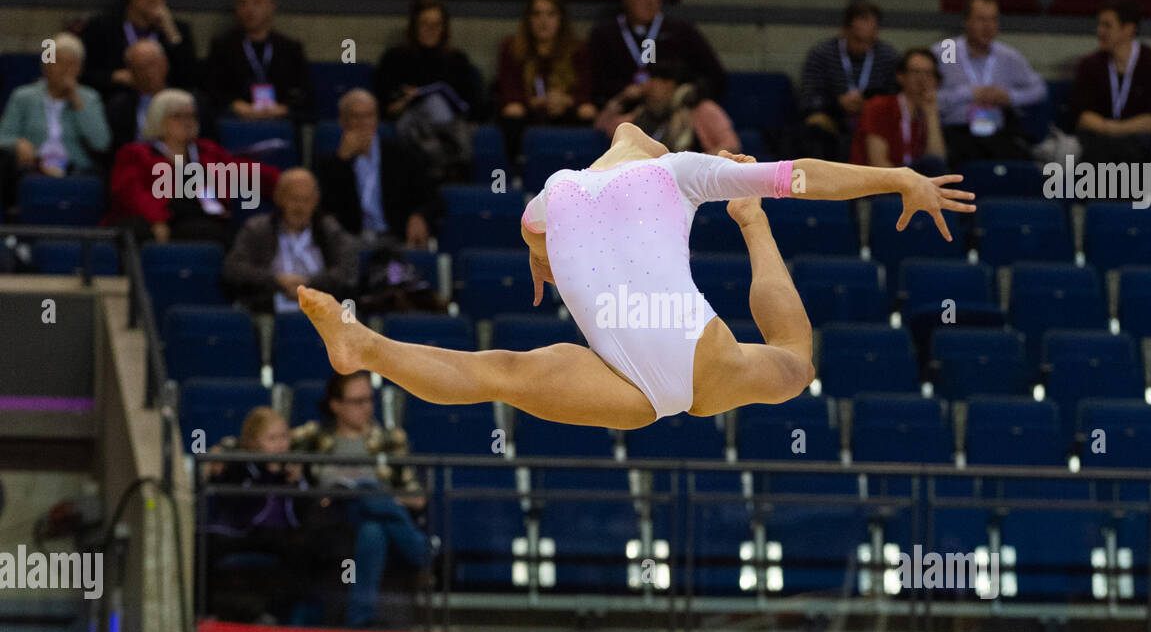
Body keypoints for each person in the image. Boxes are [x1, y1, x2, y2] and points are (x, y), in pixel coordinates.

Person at [298, 122, 974, 431]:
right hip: (693, 362)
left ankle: (366, 348)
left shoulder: (553, 195)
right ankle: (753, 227)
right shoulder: (678, 170)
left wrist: (540, 256)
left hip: (624, 382)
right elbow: (803, 175)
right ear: (654, 145)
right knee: (797, 364)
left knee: (496, 372)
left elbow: (529, 230)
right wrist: (897, 177)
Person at [305, 372, 434, 628]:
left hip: (375, 516)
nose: (367, 407)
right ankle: (421, 551)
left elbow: (416, 498)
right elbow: (267, 439)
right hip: (336, 517)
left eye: (370, 400)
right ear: (336, 405)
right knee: (364, 490)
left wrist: (382, 495)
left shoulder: (390, 440)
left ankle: (359, 619)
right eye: (358, 401)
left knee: (373, 527)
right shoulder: (315, 435)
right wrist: (222, 448)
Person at [103, 88, 281, 245]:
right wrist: (157, 220)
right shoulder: (136, 153)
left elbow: (241, 170)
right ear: (159, 119)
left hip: (196, 219)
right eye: (178, 116)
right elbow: (131, 194)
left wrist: (283, 182)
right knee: (141, 232)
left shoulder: (206, 150)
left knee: (213, 232)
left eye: (191, 116)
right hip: (151, 218)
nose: (187, 121)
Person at [204, 407, 321, 624]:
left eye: (284, 437)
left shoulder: (298, 469)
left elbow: (307, 512)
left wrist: (297, 484)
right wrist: (269, 475)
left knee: (309, 548)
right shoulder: (239, 467)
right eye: (272, 438)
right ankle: (208, 613)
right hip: (242, 535)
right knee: (204, 546)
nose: (280, 444)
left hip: (281, 537)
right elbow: (233, 507)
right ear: (253, 443)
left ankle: (290, 619)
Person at [373, 0, 482, 183]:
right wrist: (404, 101)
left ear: (444, 28)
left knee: (439, 107)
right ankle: (439, 171)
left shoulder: (456, 60)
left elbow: (473, 106)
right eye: (425, 24)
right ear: (414, 26)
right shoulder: (395, 59)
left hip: (449, 124)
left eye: (437, 25)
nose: (431, 30)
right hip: (412, 122)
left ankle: (442, 170)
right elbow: (383, 105)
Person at [314, 88, 443, 246]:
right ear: (342, 120)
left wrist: (420, 215)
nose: (363, 123)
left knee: (395, 269)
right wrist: (342, 162)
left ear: (376, 119)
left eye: (369, 116)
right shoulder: (329, 164)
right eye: (356, 116)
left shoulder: (403, 156)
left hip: (395, 239)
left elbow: (432, 198)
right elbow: (324, 208)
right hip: (349, 242)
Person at [587, 0, 727, 110]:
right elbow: (595, 84)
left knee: (708, 112)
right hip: (624, 109)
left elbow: (714, 77)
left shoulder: (680, 32)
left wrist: (680, 93)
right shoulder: (604, 34)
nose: (650, 3)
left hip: (675, 109)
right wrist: (626, 91)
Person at [1069, 0, 1151, 164]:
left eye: (1107, 25)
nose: (1100, 31)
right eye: (1099, 25)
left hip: (1141, 143)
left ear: (1128, 29)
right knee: (1092, 148)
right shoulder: (1089, 65)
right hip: (1099, 141)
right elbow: (1082, 117)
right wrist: (1110, 130)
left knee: (1132, 149)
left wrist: (1115, 129)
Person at [224, 167, 357, 313]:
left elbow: (348, 271)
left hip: (323, 313)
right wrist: (276, 281)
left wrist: (309, 283)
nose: (300, 207)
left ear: (316, 200)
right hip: (267, 312)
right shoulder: (258, 229)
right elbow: (234, 269)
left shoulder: (330, 231)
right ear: (279, 197)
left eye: (306, 200)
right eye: (294, 199)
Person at [933, 0, 1046, 165]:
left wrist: (1010, 97)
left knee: (1022, 164)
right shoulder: (944, 53)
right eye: (981, 20)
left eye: (993, 20)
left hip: (998, 132)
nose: (988, 26)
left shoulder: (1008, 56)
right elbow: (926, 97)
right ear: (966, 21)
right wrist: (968, 94)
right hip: (956, 130)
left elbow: (1039, 90)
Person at [496, 0, 597, 163]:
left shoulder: (578, 50)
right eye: (537, 14)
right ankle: (517, 169)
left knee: (587, 111)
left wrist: (566, 101)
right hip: (529, 113)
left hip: (566, 113)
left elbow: (588, 91)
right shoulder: (512, 48)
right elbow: (506, 91)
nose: (543, 21)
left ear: (560, 19)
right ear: (529, 19)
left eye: (551, 14)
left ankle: (581, 169)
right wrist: (534, 102)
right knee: (513, 110)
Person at [80, 0, 198, 100]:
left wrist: (171, 32)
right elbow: (85, 75)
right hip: (117, 102)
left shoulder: (177, 30)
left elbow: (191, 78)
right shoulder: (101, 27)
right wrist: (114, 77)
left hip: (162, 104)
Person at [797, 2, 900, 161]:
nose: (865, 47)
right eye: (858, 40)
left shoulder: (888, 56)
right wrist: (838, 103)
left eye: (870, 40)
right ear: (844, 31)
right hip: (834, 120)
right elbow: (808, 98)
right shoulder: (821, 54)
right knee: (815, 123)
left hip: (873, 121)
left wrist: (870, 104)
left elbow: (895, 95)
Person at [0, 33, 111, 179]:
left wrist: (78, 103)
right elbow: (3, 137)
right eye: (59, 62)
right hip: (34, 170)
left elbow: (101, 143)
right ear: (46, 65)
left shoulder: (90, 98)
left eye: (72, 64)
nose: (65, 70)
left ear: (80, 68)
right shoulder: (24, 96)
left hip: (76, 172)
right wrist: (18, 143)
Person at [205, 0, 315, 123]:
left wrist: (283, 108)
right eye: (242, 3)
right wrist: (236, 105)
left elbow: (306, 92)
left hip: (280, 117)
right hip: (237, 117)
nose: (249, 9)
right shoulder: (223, 46)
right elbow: (212, 88)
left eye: (257, 3)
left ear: (271, 6)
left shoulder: (290, 48)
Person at [594, 58, 740, 154]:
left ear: (669, 84)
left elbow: (732, 146)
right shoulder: (644, 113)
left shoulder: (703, 109)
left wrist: (691, 164)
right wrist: (622, 98)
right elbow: (603, 126)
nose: (646, 86)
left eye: (652, 80)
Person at [852, 48, 947, 170]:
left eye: (929, 73)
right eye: (916, 72)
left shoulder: (927, 112)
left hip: (913, 178)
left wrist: (931, 115)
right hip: (881, 180)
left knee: (937, 166)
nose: (923, 79)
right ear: (901, 77)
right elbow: (878, 162)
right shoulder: (880, 106)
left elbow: (938, 159)